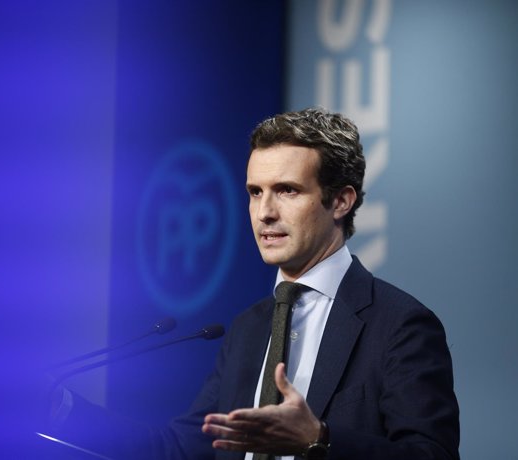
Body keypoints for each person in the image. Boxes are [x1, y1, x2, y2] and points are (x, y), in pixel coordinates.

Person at [49, 108, 460, 460]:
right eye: (254, 191)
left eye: (287, 190)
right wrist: (59, 408)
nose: (264, 212)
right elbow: (180, 449)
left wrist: (319, 439)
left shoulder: (399, 325)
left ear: (341, 201)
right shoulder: (249, 328)